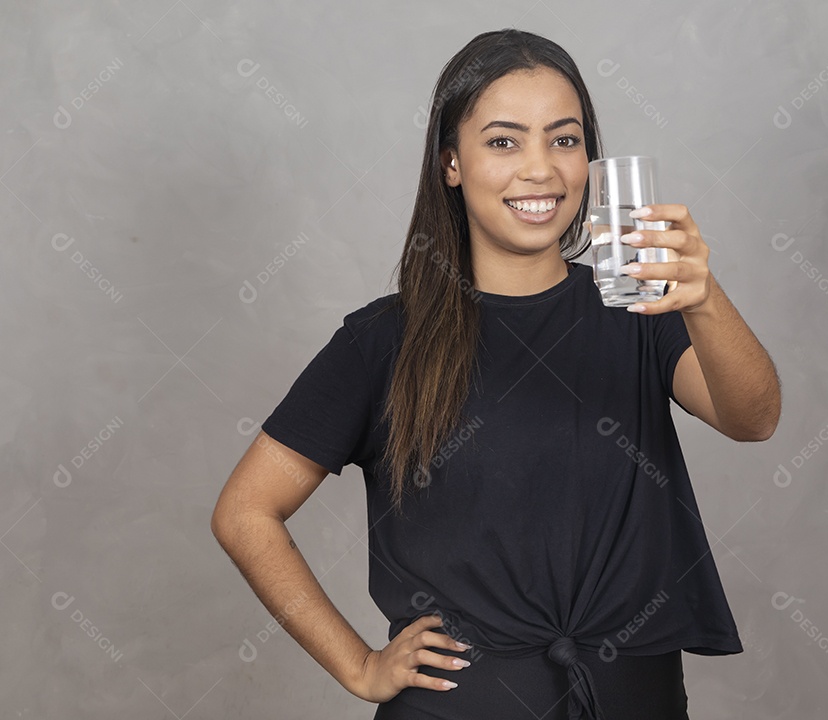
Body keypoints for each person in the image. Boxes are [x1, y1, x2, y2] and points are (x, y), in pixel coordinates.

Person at [211, 28, 781, 720]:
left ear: (590, 161)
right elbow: (245, 513)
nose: (540, 169)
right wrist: (358, 665)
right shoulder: (383, 340)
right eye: (504, 141)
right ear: (451, 163)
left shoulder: (639, 308)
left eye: (564, 140)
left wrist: (704, 296)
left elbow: (753, 420)